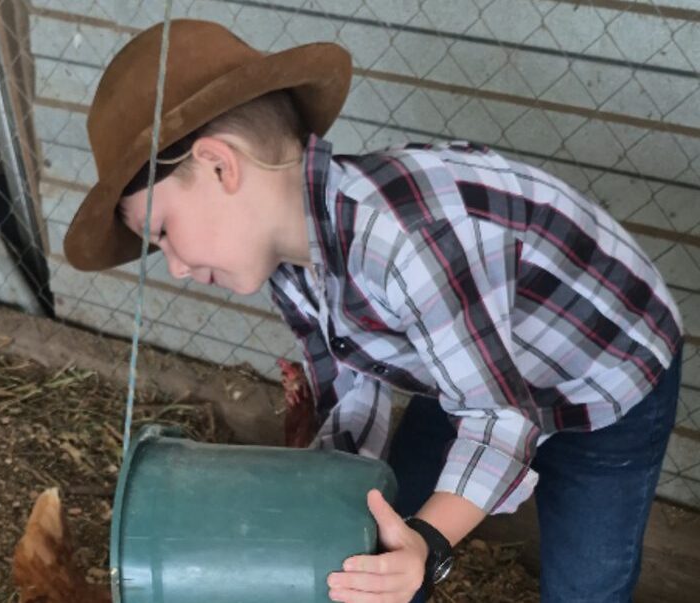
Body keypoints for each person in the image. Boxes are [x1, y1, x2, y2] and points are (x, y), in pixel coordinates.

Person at [63, 19, 683, 603]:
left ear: (220, 165)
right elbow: (352, 391)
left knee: (585, 585)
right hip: (472, 373)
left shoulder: (404, 238)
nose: (172, 264)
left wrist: (429, 543)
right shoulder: (292, 263)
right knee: (376, 531)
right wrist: (318, 509)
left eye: (164, 231)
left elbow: (499, 420)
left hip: (605, 377)